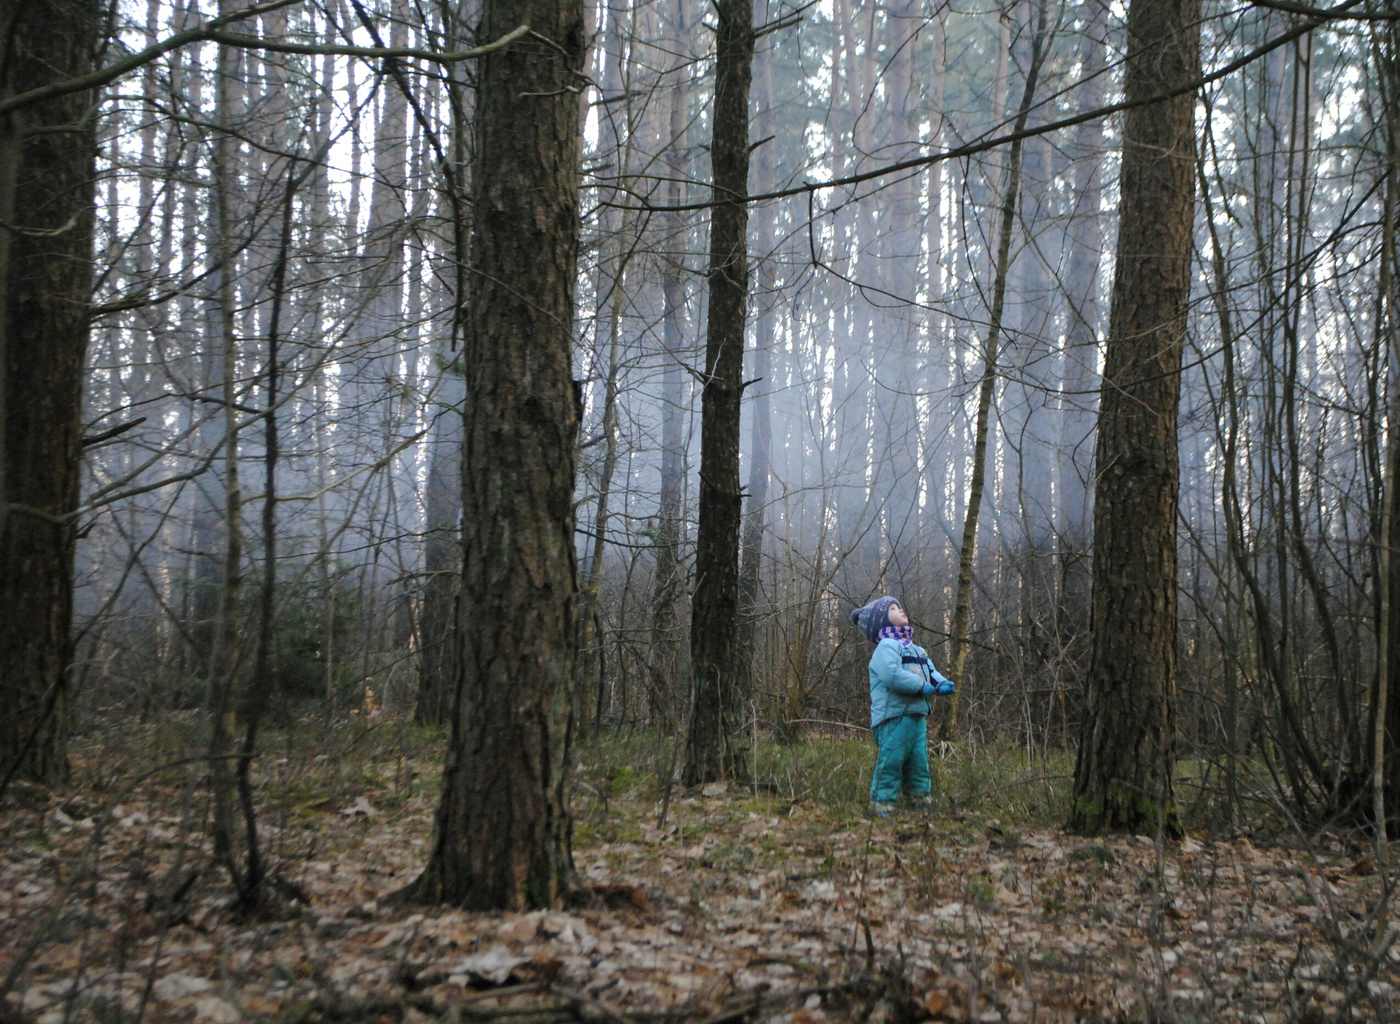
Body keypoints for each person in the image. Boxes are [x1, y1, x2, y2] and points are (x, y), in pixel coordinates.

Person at [849, 596, 956, 816]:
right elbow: (892, 675)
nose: (901, 610)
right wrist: (920, 686)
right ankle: (881, 804)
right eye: (893, 609)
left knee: (919, 763)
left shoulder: (917, 650)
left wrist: (941, 683)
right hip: (893, 716)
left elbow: (930, 671)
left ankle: (919, 801)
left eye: (899, 607)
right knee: (892, 760)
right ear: (881, 621)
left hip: (916, 716)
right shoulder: (887, 646)